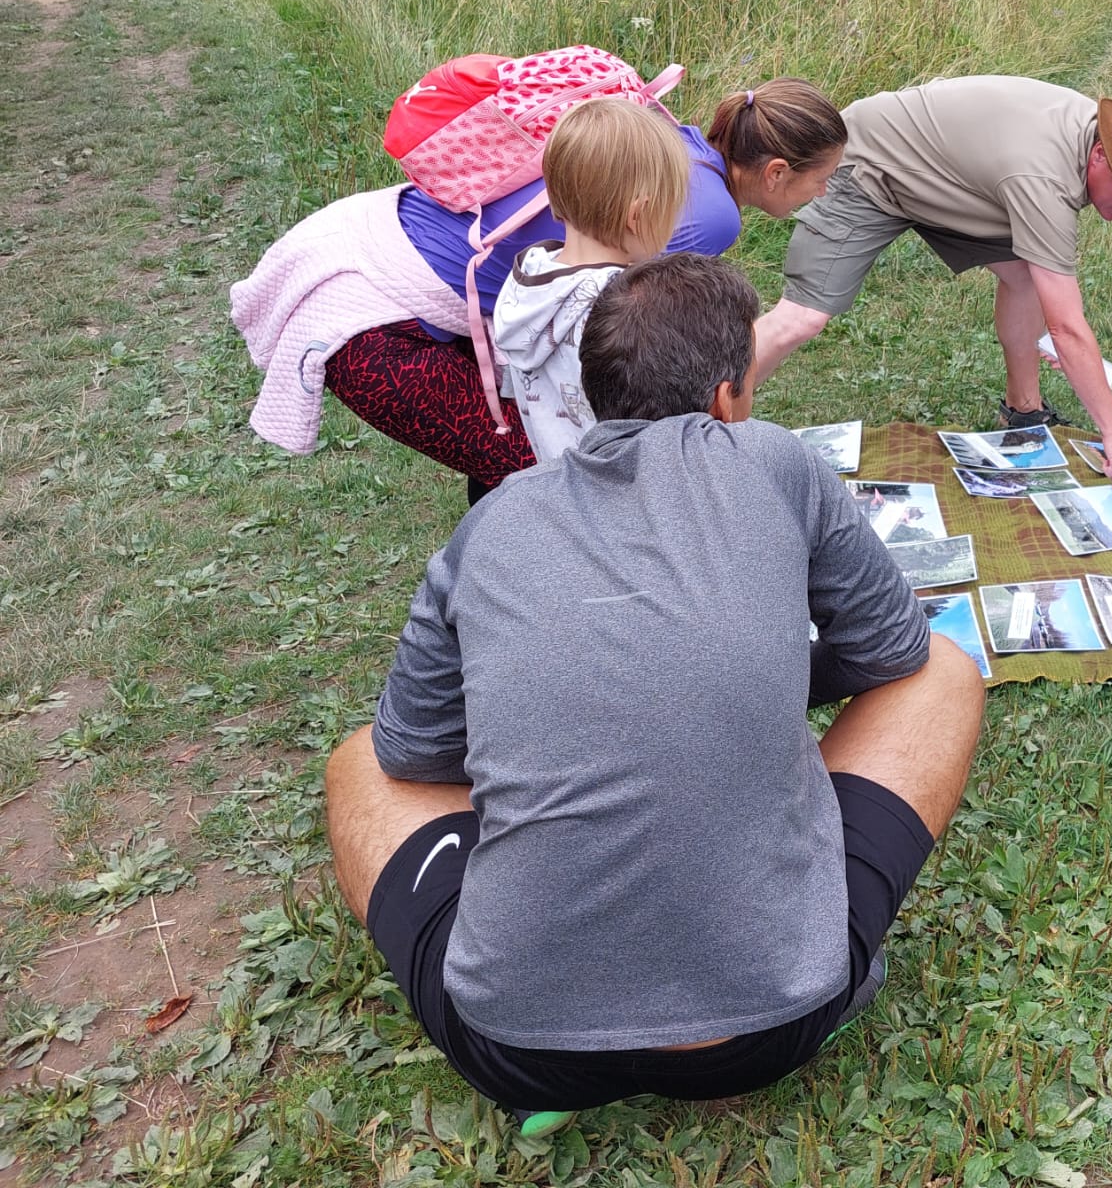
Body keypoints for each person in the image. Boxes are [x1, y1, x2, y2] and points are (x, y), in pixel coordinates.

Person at [324, 252, 985, 1118]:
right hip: (777, 1020)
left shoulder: (494, 519)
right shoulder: (773, 460)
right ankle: (816, 949)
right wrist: (759, 686)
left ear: (597, 392)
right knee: (945, 671)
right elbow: (893, 649)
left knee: (357, 761)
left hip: (515, 1050)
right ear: (726, 399)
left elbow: (412, 751)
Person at [232, 78, 846, 501]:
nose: (824, 194)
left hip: (364, 234)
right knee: (540, 483)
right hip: (367, 309)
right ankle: (509, 610)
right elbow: (647, 361)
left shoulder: (539, 270)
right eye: (823, 180)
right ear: (775, 171)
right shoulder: (708, 215)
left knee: (517, 460)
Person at [751, 75, 1112, 494]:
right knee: (803, 318)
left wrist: (1064, 344)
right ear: (1099, 155)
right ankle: (714, 413)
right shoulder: (1044, 176)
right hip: (871, 167)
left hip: (951, 180)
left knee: (1025, 276)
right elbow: (1067, 328)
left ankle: (1023, 413)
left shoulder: (1099, 136)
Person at [491, 97, 692, 462]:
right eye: (671, 209)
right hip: (624, 480)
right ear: (639, 215)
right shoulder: (626, 307)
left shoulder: (530, 277)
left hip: (562, 477)